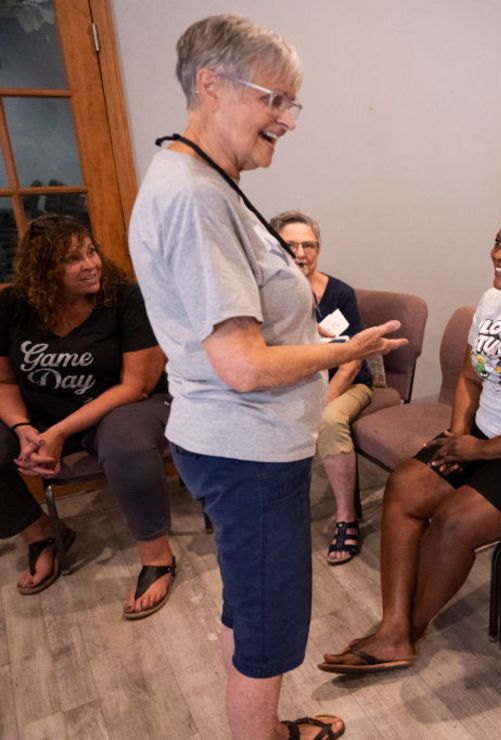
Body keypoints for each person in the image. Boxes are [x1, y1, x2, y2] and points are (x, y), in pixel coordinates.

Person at [128, 15, 405, 740]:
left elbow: (243, 323)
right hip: (245, 448)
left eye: (291, 104)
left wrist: (299, 334)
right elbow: (243, 365)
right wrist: (346, 348)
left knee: (248, 603)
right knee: (269, 619)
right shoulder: (194, 196)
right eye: (273, 100)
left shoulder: (208, 182)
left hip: (238, 444)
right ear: (211, 86)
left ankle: (268, 727)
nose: (286, 119)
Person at [320, 204, 501, 674]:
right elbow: (468, 376)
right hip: (484, 433)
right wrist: (459, 435)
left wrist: (479, 450)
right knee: (405, 485)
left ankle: (407, 630)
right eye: (497, 242)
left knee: (455, 522)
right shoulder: (493, 301)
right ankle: (393, 627)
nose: (497, 253)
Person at [0, 214, 175, 619]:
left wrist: (58, 432)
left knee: (125, 443)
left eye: (90, 251)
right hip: (40, 414)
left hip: (123, 405)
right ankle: (42, 533)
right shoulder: (12, 306)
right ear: (43, 270)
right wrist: (24, 429)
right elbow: (5, 382)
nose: (90, 264)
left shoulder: (125, 299)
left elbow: (136, 385)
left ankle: (157, 557)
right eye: (72, 259)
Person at [271, 210, 379, 565]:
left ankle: (347, 518)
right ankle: (280, 517)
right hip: (295, 384)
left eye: (309, 245)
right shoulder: (269, 295)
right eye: (291, 245)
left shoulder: (340, 293)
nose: (301, 253)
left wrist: (323, 401)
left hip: (345, 385)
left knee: (328, 420)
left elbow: (352, 360)